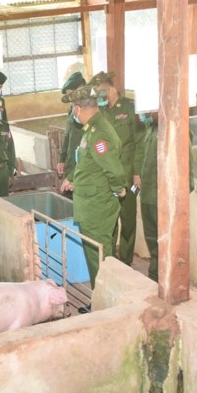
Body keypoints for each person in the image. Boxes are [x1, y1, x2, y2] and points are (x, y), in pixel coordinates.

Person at [59, 86, 127, 287]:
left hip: (96, 206)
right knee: (96, 254)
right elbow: (89, 163)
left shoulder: (99, 134)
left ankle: (102, 297)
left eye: (73, 107)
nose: (73, 112)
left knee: (99, 256)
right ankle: (101, 294)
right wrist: (72, 178)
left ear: (78, 108)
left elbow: (114, 170)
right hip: (91, 203)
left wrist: (118, 188)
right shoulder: (92, 129)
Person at [134, 111, 195, 282]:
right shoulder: (151, 128)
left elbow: (187, 168)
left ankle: (167, 281)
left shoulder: (177, 129)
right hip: (148, 196)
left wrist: (176, 197)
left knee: (167, 244)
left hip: (164, 199)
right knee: (153, 243)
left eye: (148, 110)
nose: (144, 113)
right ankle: (155, 278)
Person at [90, 71, 140, 267]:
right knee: (109, 218)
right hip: (107, 175)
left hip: (127, 173)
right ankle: (110, 259)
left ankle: (126, 260)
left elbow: (138, 141)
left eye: (100, 91)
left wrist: (137, 172)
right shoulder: (101, 111)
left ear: (109, 87)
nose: (98, 96)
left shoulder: (129, 108)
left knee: (128, 219)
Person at [57, 71, 87, 179]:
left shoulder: (89, 111)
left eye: (72, 94)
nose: (71, 99)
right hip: (71, 165)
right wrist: (62, 160)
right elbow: (68, 136)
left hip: (84, 168)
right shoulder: (72, 111)